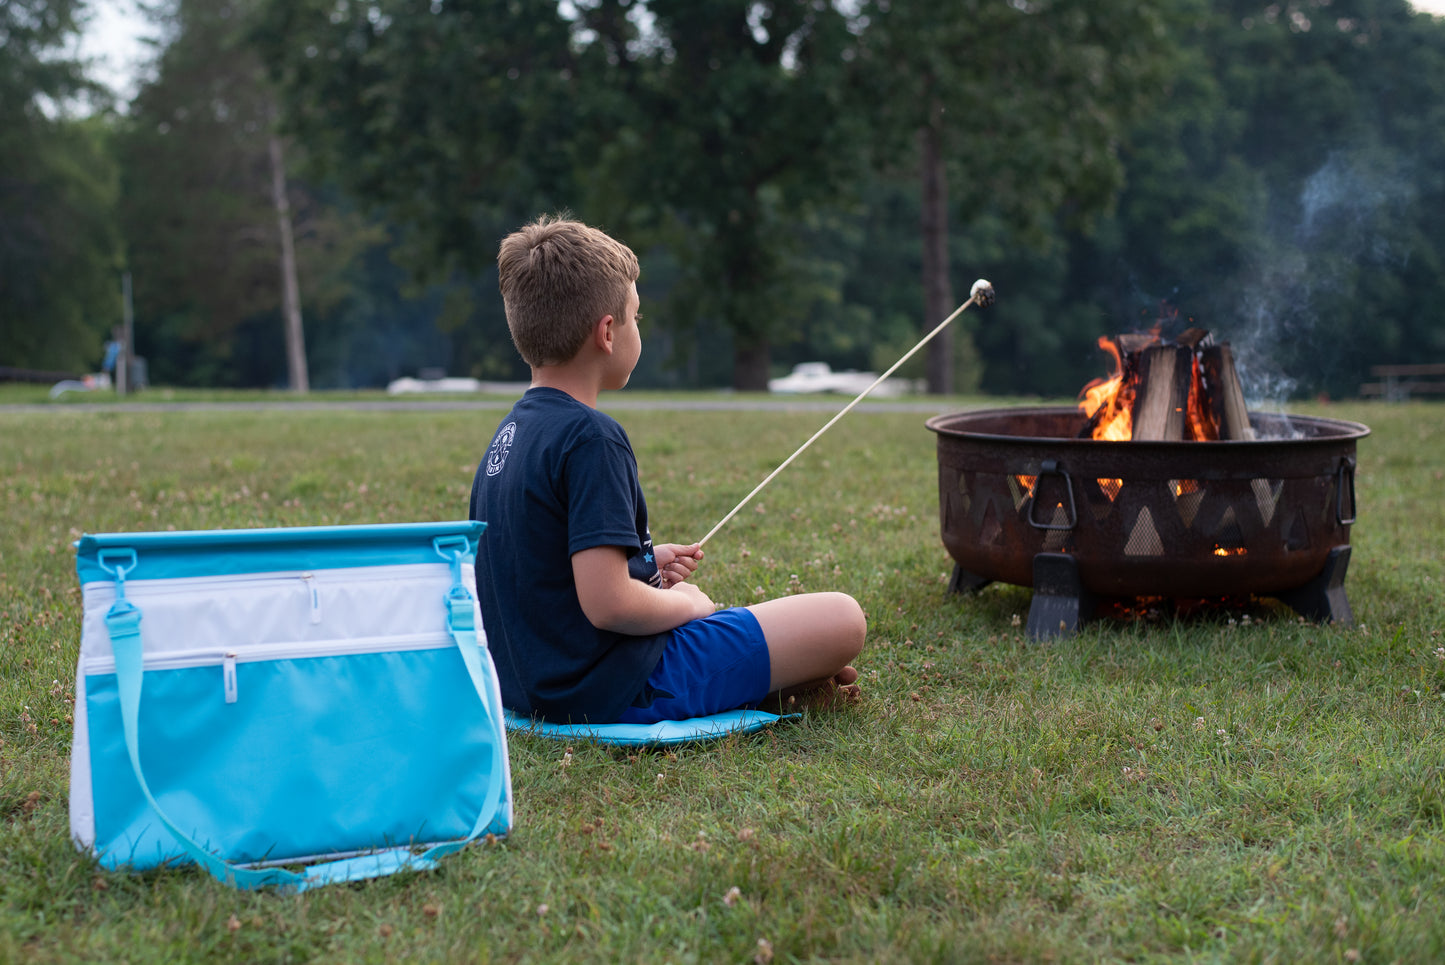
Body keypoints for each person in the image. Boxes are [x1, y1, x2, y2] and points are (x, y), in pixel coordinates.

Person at [469, 215, 865, 724]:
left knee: (797, 633)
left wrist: (644, 567)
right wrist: (688, 604)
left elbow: (542, 573)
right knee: (841, 619)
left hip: (531, 687)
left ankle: (784, 674)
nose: (639, 329)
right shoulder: (592, 437)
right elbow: (608, 606)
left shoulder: (509, 435)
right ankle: (778, 676)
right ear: (608, 333)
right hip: (617, 685)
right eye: (636, 317)